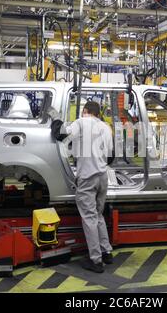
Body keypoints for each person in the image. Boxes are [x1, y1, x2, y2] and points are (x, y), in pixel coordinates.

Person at [48, 101, 114, 273]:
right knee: (98, 215)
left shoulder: (81, 122)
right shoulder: (105, 127)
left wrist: (55, 119)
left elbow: (61, 135)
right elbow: (110, 157)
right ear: (98, 113)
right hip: (102, 178)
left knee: (89, 218)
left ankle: (96, 260)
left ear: (85, 111)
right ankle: (107, 252)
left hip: (88, 179)